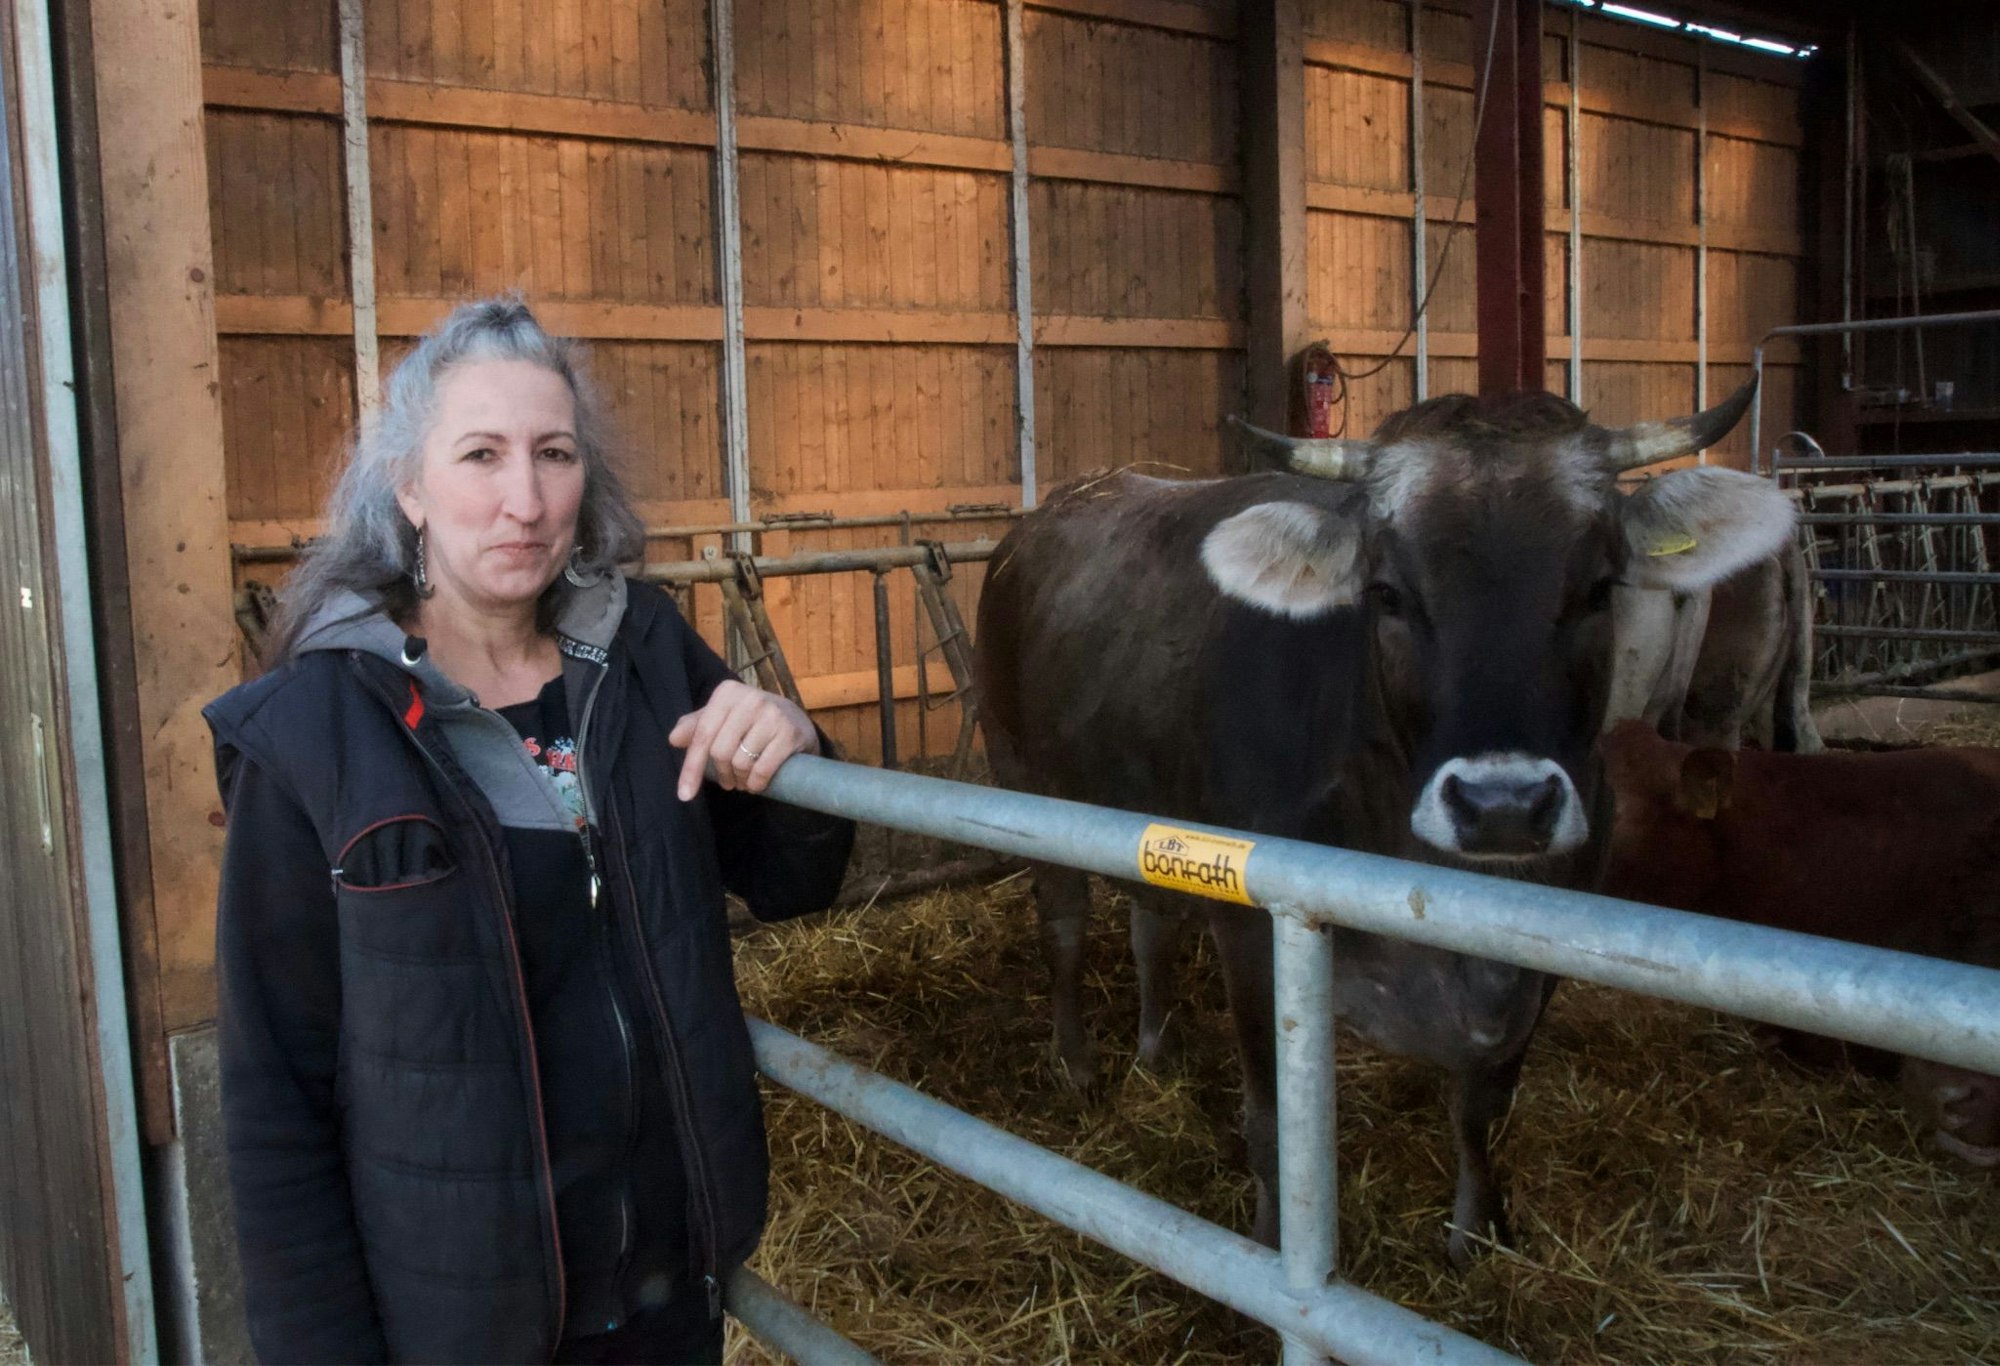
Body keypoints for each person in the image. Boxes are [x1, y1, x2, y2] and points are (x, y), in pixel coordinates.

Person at [204, 296, 855, 1364]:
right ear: (409, 487)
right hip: (461, 1324)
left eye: (553, 454)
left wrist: (792, 746)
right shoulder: (319, 731)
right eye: (479, 455)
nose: (524, 499)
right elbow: (276, 1094)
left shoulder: (641, 653)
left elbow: (791, 880)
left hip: (665, 1287)